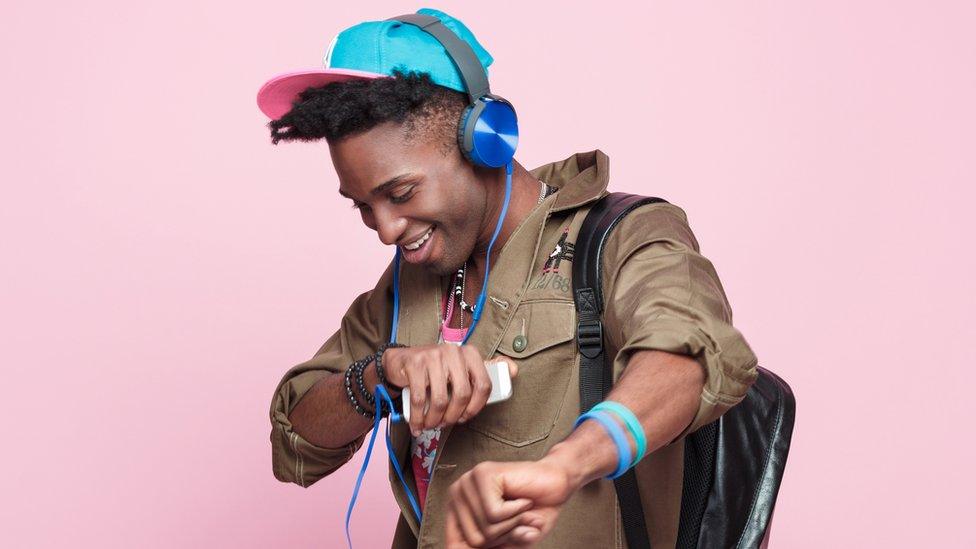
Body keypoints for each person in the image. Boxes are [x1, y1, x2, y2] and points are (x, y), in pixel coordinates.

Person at [258, 8, 758, 548]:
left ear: (486, 140)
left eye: (401, 194)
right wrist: (379, 376)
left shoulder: (624, 236)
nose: (385, 229)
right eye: (363, 207)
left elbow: (688, 358)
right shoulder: (408, 283)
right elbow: (295, 444)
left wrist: (565, 467)